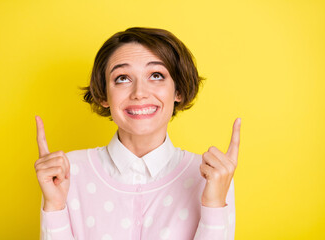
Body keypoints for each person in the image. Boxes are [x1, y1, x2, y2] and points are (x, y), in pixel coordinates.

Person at [34, 27, 241, 240]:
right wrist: (54, 209)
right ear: (104, 94)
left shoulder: (211, 177)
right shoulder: (67, 173)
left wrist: (214, 208)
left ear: (177, 90)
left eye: (156, 75)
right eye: (123, 78)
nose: (139, 93)